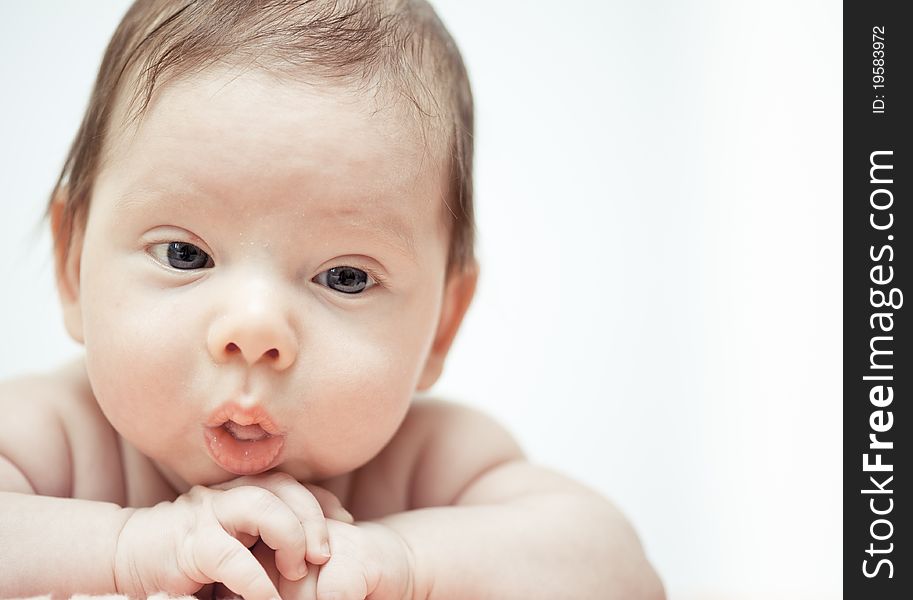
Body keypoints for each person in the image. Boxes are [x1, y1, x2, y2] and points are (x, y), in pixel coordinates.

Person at [0, 1, 664, 598]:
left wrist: (404, 563)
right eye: (186, 255)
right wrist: (127, 551)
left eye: (345, 277)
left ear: (440, 325)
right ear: (72, 265)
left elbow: (619, 573)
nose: (256, 330)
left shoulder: (429, 463)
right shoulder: (55, 436)